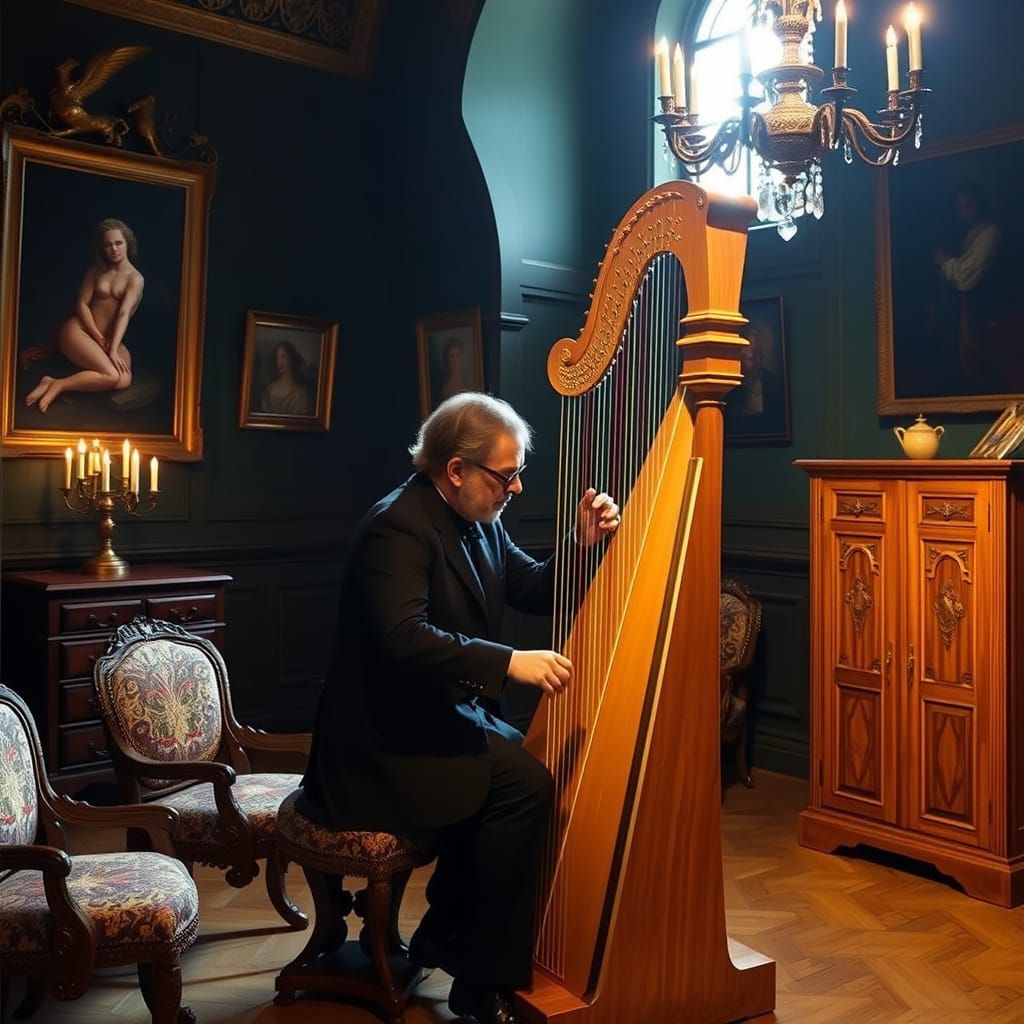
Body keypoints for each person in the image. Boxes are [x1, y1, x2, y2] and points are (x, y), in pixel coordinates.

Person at [301, 392, 620, 1024]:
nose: (517, 488)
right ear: (456, 470)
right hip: (378, 743)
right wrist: (507, 662)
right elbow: (401, 638)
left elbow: (529, 586)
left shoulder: (479, 516)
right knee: (525, 784)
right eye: (507, 475)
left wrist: (582, 543)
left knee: (523, 768)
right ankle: (480, 978)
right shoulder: (397, 525)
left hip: (434, 718)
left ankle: (448, 935)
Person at [24, 218, 143, 414]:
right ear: (102, 248)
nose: (114, 249)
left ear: (128, 243)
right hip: (80, 331)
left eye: (118, 243)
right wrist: (97, 336)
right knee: (112, 376)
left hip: (111, 339)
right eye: (108, 245)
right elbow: (81, 304)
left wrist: (113, 348)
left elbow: (123, 313)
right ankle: (60, 386)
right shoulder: (96, 271)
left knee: (123, 380)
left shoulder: (136, 279)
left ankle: (53, 382)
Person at [932, 181, 1004, 388]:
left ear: (980, 204)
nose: (962, 212)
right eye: (959, 207)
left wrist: (945, 261)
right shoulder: (970, 233)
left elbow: (965, 278)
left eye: (968, 205)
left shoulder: (990, 232)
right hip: (969, 314)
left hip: (990, 315)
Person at [259, 339, 314, 415]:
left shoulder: (300, 394)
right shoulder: (269, 388)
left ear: (291, 358)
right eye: (277, 358)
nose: (279, 362)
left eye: (283, 357)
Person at [439, 336, 472, 403]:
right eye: (452, 356)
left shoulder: (468, 383)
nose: (455, 360)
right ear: (446, 358)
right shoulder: (442, 385)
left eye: (458, 355)